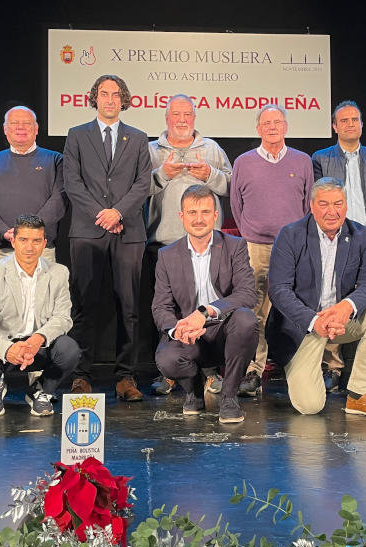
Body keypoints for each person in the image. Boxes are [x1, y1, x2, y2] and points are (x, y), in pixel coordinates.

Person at [267, 177, 366, 418]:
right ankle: (302, 368)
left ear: (346, 206)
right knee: (310, 406)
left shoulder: (359, 234)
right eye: (324, 204)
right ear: (312, 206)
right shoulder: (290, 235)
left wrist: (346, 307)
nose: (332, 211)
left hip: (340, 321)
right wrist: (314, 320)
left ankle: (360, 395)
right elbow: (279, 290)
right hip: (303, 326)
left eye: (338, 204)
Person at [63, 74, 152, 401]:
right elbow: (72, 183)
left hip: (128, 232)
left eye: (116, 94)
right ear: (95, 98)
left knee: (128, 306)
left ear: (124, 99)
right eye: (104, 94)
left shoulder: (138, 138)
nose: (111, 99)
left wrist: (119, 213)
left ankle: (125, 377)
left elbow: (143, 183)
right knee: (84, 304)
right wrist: (103, 214)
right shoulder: (77, 136)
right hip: (87, 231)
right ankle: (81, 374)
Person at [146, 94, 232, 396]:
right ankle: (169, 372)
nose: (182, 120)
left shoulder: (211, 149)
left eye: (187, 115)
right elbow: (135, 191)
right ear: (166, 118)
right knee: (166, 309)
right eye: (176, 115)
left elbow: (233, 185)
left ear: (194, 118)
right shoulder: (151, 151)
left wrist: (210, 174)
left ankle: (209, 371)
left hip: (208, 245)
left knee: (205, 305)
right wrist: (161, 176)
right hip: (164, 242)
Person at [311, 100, 366, 394]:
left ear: (362, 124)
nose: (350, 124)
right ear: (335, 127)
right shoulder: (321, 158)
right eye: (344, 120)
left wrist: (365, 233)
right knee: (332, 302)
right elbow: (317, 200)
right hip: (331, 242)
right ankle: (332, 369)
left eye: (355, 119)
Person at [153, 186, 257, 422]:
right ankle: (194, 390)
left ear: (215, 215)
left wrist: (206, 311)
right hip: (190, 334)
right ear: (181, 216)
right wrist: (177, 330)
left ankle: (229, 397)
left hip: (225, 329)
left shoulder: (235, 246)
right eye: (192, 212)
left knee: (246, 320)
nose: (198, 219)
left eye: (205, 212)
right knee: (167, 358)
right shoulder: (167, 255)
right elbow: (161, 306)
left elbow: (248, 294)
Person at [230, 104, 314, 396]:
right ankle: (254, 371)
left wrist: (297, 237)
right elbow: (235, 205)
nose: (272, 127)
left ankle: (299, 369)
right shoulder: (243, 162)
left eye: (278, 122)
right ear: (258, 129)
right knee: (256, 311)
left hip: (293, 247)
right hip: (255, 247)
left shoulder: (303, 161)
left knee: (296, 307)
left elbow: (308, 205)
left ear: (286, 127)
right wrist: (251, 233)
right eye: (266, 123)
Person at [0, 215, 81, 417]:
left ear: (44, 243)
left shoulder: (58, 273)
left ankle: (40, 390)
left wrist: (38, 339)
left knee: (69, 350)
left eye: (36, 241)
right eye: (23, 240)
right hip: (3, 346)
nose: (30, 247)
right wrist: (8, 348)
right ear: (13, 241)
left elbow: (63, 318)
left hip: (39, 347)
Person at [0, 106, 66, 266]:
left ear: (36, 129)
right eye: (14, 123)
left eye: (27, 123)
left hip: (40, 249)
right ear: (5, 129)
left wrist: (28, 232)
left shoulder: (55, 160)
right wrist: (4, 232)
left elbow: (60, 200)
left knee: (41, 292)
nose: (20, 127)